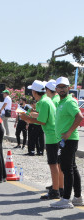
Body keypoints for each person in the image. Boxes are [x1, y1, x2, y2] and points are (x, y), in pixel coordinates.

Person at [20, 80, 62, 200]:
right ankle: (59, 188)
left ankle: (55, 191)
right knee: (57, 163)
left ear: (34, 92)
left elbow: (42, 121)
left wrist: (26, 118)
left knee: (53, 164)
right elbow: (41, 115)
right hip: (54, 134)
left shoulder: (43, 102)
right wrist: (29, 114)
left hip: (51, 136)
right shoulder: (46, 100)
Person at [50, 77, 84, 209]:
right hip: (65, 140)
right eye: (59, 86)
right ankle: (77, 197)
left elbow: (79, 117)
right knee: (72, 168)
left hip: (68, 140)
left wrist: (69, 132)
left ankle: (66, 199)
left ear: (68, 88)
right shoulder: (61, 101)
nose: (62, 89)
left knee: (66, 168)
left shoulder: (69, 102)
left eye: (64, 86)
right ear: (56, 89)